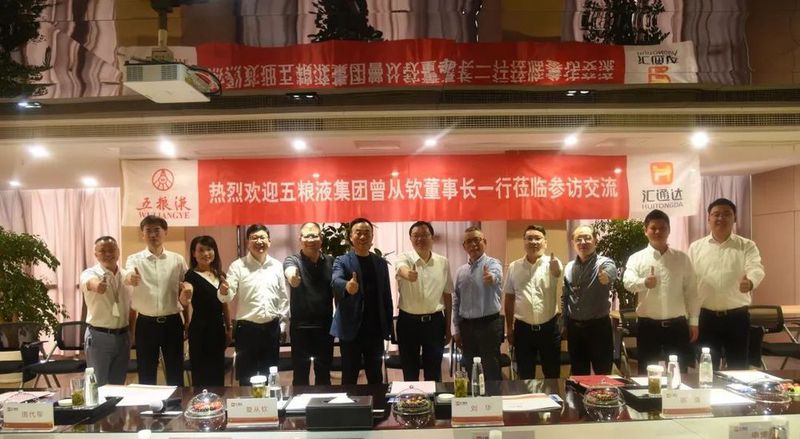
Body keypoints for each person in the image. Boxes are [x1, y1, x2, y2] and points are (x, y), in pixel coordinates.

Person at [689, 198, 765, 370]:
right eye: (716, 214)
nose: (721, 218)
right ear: (708, 218)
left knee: (739, 367)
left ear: (735, 218)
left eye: (726, 214)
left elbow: (756, 267)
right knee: (707, 369)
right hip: (706, 317)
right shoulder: (696, 248)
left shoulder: (747, 245)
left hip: (737, 317)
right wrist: (692, 318)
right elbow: (690, 281)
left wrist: (750, 282)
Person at [623, 210, 699, 374]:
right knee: (647, 373)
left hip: (677, 326)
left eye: (663, 228)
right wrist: (644, 282)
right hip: (648, 326)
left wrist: (694, 321)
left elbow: (691, 291)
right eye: (653, 228)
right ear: (645, 230)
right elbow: (627, 282)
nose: (658, 231)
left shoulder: (682, 258)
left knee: (679, 373)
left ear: (669, 230)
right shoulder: (636, 258)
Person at [219, 224, 289, 386]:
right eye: (254, 238)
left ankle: (270, 402)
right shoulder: (238, 266)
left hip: (271, 329)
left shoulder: (277, 266)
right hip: (247, 331)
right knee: (246, 377)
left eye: (262, 237)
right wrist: (223, 291)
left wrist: (282, 325)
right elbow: (227, 295)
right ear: (247, 242)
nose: (259, 241)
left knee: (270, 376)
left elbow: (283, 298)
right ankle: (246, 402)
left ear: (269, 241)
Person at [125, 215, 191, 386]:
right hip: (146, 324)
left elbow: (185, 289)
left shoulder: (177, 260)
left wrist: (187, 321)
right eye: (148, 231)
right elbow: (128, 274)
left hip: (172, 322)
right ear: (143, 234)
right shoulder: (134, 259)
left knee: (175, 371)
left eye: (157, 230)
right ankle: (148, 403)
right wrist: (131, 278)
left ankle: (176, 402)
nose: (153, 235)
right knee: (146, 372)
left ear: (165, 232)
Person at [330, 218, 394, 384]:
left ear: (372, 237)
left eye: (367, 233)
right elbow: (336, 280)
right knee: (349, 376)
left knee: (375, 375)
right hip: (351, 329)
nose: (363, 237)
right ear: (350, 237)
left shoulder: (380, 263)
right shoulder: (341, 261)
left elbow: (386, 295)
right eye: (358, 233)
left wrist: (388, 327)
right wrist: (347, 286)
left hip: (375, 329)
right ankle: (349, 401)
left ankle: (377, 401)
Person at [395, 221, 454, 381]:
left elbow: (447, 295)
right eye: (416, 236)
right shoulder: (404, 258)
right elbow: (401, 268)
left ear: (432, 237)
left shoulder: (443, 262)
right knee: (410, 371)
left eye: (425, 235)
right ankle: (411, 398)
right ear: (410, 239)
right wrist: (408, 274)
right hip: (408, 323)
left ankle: (433, 397)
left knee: (434, 372)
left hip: (435, 323)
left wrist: (448, 326)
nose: (420, 239)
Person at [503, 225, 563, 379]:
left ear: (545, 243)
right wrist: (509, 328)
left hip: (549, 329)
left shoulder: (553, 263)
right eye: (529, 238)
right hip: (523, 330)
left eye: (538, 238)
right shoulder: (514, 267)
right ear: (524, 242)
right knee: (525, 375)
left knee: (552, 374)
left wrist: (556, 269)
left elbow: (557, 272)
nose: (534, 242)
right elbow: (509, 298)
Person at [284, 222, 335, 385]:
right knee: (300, 375)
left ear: (321, 238)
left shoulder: (331, 261)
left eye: (314, 235)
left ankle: (323, 401)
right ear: (300, 239)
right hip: (300, 328)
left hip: (325, 327)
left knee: (324, 374)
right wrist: (293, 278)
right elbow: (290, 272)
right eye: (306, 236)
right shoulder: (293, 260)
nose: (310, 239)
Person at [562, 225, 617, 375]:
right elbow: (566, 296)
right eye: (578, 239)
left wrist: (607, 276)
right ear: (573, 243)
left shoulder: (604, 262)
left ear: (595, 241)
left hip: (598, 328)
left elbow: (611, 271)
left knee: (603, 373)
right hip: (575, 329)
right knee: (579, 374)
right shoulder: (569, 267)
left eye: (587, 238)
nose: (583, 242)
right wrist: (564, 324)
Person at [453, 226, 504, 381]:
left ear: (484, 242)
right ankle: (473, 397)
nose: (473, 244)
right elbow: (456, 301)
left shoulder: (493, 263)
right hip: (466, 327)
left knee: (491, 369)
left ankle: (494, 396)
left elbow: (496, 275)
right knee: (470, 369)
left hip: (489, 325)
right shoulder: (460, 271)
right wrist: (456, 329)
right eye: (469, 242)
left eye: (477, 240)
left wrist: (491, 278)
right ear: (464, 246)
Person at [181, 235, 232, 387]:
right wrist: (186, 293)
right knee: (201, 373)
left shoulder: (220, 274)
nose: (206, 254)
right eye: (201, 250)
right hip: (199, 329)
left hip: (218, 329)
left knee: (217, 372)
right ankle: (200, 401)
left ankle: (218, 401)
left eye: (209, 249)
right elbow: (186, 293)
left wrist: (229, 328)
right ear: (194, 253)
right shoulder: (190, 275)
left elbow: (225, 304)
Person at [79, 236, 131, 385]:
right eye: (103, 251)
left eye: (111, 250)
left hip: (123, 337)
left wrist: (131, 333)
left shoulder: (125, 275)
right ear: (96, 254)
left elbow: (132, 306)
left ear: (118, 252)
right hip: (99, 337)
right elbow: (90, 283)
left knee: (118, 384)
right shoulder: (89, 273)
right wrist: (97, 286)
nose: (108, 254)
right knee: (98, 384)